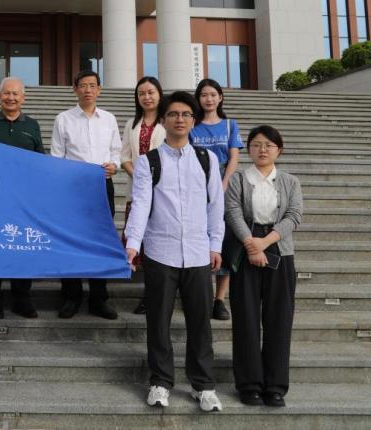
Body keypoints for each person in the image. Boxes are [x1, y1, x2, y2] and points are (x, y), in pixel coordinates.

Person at [124, 91, 224, 413]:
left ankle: (203, 385)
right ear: (163, 120)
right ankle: (160, 382)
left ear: (193, 120)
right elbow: (141, 205)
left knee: (200, 323)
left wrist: (215, 245)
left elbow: (215, 206)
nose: (179, 119)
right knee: (158, 321)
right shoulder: (148, 161)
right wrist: (132, 244)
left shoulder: (207, 160)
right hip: (160, 252)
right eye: (173, 114)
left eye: (185, 114)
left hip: (197, 253)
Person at [225, 125, 302, 407]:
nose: (262, 150)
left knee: (279, 319)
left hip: (280, 250)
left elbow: (294, 215)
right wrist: (251, 244)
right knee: (245, 318)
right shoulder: (238, 179)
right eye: (256, 144)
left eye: (269, 145)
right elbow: (233, 212)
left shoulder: (290, 182)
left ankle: (275, 386)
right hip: (245, 250)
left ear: (279, 150)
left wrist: (265, 243)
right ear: (249, 149)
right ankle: (249, 385)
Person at [51, 70, 122, 320]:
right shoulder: (63, 119)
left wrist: (114, 165)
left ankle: (99, 299)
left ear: (99, 89)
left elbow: (116, 151)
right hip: (72, 190)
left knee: (100, 242)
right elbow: (57, 156)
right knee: (70, 241)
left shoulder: (109, 119)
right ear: (75, 89)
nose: (88, 90)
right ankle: (71, 296)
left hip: (102, 186)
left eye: (92, 85)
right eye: (83, 85)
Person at [0, 76, 44, 319]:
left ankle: (21, 299)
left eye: (15, 94)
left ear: (23, 98)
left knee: (22, 247)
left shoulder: (32, 125)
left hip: (23, 200)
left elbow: (40, 161)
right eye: (6, 93)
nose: (10, 98)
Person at [191, 78, 244, 321]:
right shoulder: (193, 126)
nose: (209, 99)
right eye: (204, 95)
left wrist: (223, 182)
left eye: (213, 94)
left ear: (220, 97)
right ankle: (200, 294)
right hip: (197, 183)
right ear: (198, 99)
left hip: (225, 183)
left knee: (226, 240)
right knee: (199, 236)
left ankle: (219, 299)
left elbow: (234, 157)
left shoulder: (230, 125)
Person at [119, 77, 167, 315]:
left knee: (160, 244)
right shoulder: (132, 123)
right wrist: (139, 176)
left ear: (159, 94)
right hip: (137, 191)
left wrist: (154, 179)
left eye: (151, 92)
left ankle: (159, 294)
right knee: (143, 244)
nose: (146, 97)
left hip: (164, 191)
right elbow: (124, 157)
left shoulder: (168, 121)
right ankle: (149, 295)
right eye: (141, 93)